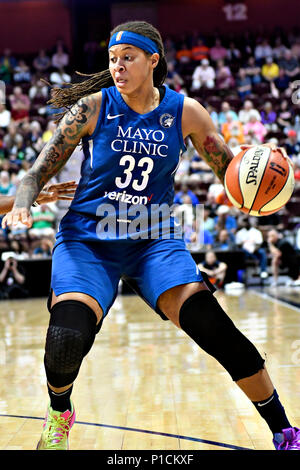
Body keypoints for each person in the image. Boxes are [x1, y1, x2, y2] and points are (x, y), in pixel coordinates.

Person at [2, 21, 299, 451]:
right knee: (66, 339)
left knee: (216, 329)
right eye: (112, 60)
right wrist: (24, 205)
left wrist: (274, 176)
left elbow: (235, 180)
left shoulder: (187, 113)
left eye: (127, 59)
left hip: (153, 242)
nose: (117, 67)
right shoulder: (90, 109)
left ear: (152, 61)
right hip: (89, 239)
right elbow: (34, 173)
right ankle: (59, 414)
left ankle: (285, 431)